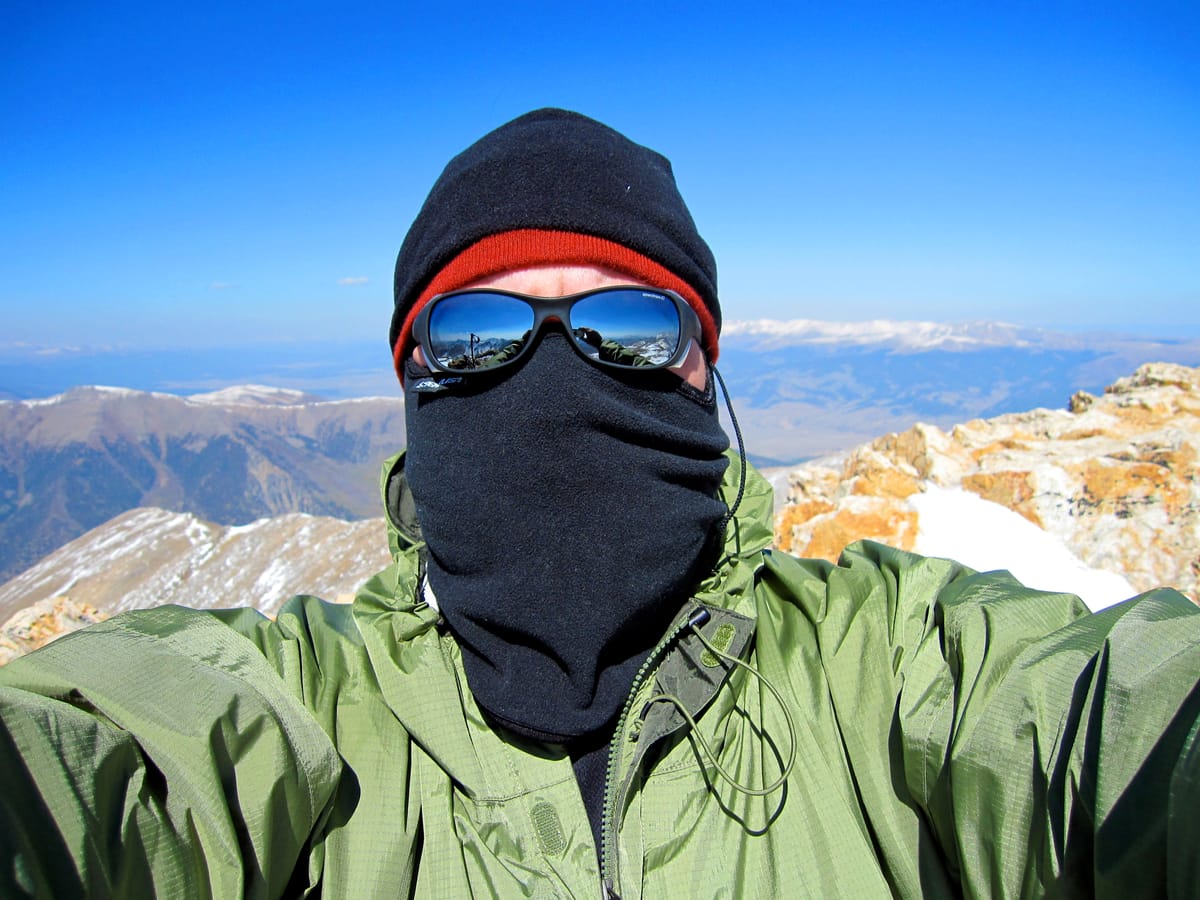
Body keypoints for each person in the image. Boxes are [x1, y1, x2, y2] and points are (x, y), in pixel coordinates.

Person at [1, 108, 1198, 900]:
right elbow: (90, 774)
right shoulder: (302, 720)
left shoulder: (883, 674)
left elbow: (1108, 728)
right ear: (415, 381)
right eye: (479, 329)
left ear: (704, 368)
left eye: (630, 322)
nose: (555, 371)